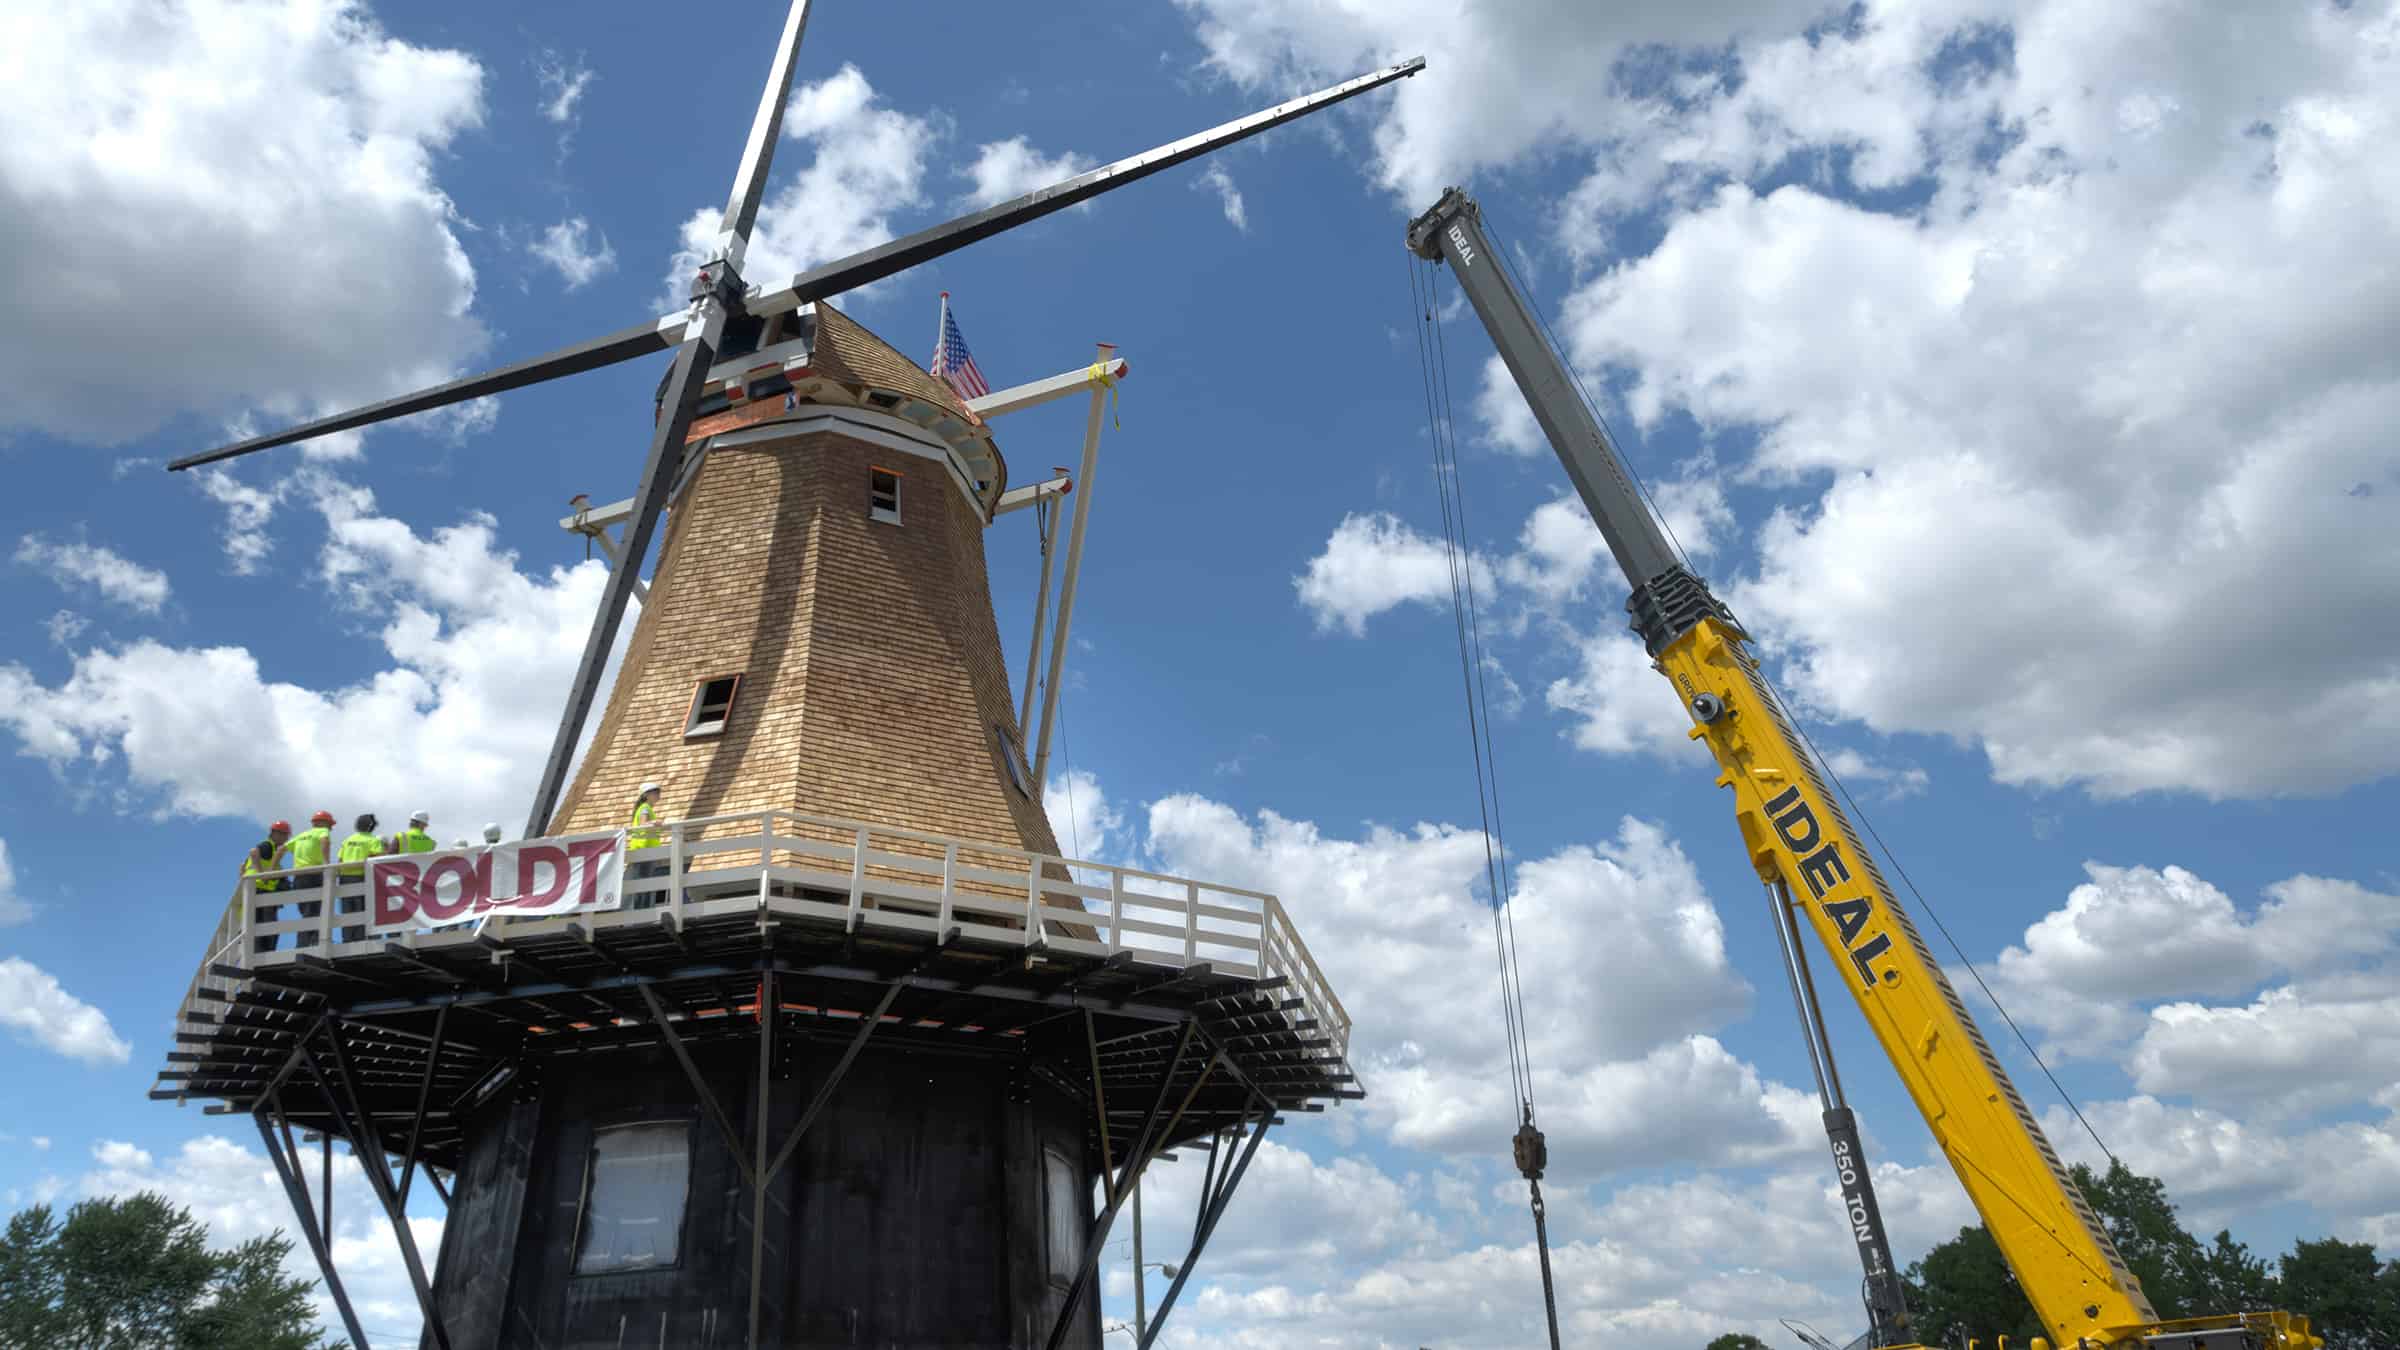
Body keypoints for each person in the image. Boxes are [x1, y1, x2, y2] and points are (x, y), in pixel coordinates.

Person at [286, 810, 336, 947]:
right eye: (330, 824)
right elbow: (325, 841)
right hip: (314, 875)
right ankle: (309, 943)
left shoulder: (301, 836)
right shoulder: (322, 832)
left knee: (306, 911)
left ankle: (309, 941)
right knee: (314, 910)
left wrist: (272, 869)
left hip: (298, 877)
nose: (330, 828)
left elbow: (281, 850)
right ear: (322, 823)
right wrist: (326, 863)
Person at [242, 820, 292, 954]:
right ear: (276, 834)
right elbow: (253, 852)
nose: (286, 839)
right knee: (268, 924)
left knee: (258, 924)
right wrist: (261, 875)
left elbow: (242, 866)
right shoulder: (268, 846)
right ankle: (264, 953)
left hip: (257, 889)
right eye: (285, 835)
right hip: (259, 889)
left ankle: (258, 952)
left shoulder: (273, 850)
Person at [335, 814, 383, 943]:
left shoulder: (347, 840)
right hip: (362, 877)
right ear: (371, 827)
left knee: (347, 910)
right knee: (361, 909)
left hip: (345, 878)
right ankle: (360, 938)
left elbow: (339, 860)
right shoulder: (373, 840)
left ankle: (347, 939)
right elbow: (377, 856)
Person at [627, 781, 670, 908]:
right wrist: (654, 823)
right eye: (655, 792)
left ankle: (642, 911)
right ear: (646, 795)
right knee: (643, 885)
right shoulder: (645, 808)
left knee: (643, 884)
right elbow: (643, 824)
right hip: (643, 851)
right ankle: (642, 912)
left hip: (645, 851)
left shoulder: (646, 808)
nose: (658, 795)